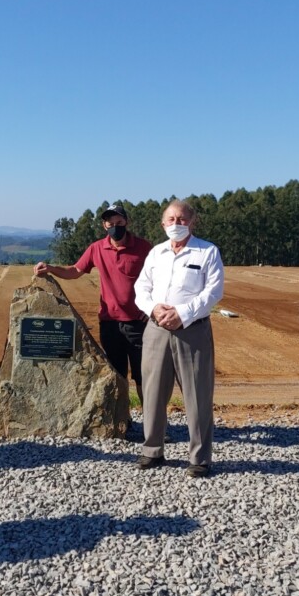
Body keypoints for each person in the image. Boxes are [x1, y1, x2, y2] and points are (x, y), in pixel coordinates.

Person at [133, 199, 224, 477]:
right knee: (152, 392)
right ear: (163, 224)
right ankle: (152, 450)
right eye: (171, 220)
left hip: (192, 330)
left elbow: (213, 292)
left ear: (192, 222)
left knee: (197, 395)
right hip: (156, 328)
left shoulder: (207, 251)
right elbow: (141, 287)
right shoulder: (156, 253)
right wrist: (154, 308)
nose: (176, 224)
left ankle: (199, 459)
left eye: (182, 219)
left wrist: (182, 313)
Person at [34, 202, 152, 402]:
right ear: (104, 226)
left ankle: (152, 426)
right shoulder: (97, 248)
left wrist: (152, 307)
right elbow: (74, 271)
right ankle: (123, 421)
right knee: (117, 375)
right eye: (110, 223)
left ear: (126, 222)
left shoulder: (144, 247)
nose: (115, 226)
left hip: (138, 324)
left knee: (144, 377)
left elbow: (161, 277)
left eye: (119, 221)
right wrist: (51, 268)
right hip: (110, 323)